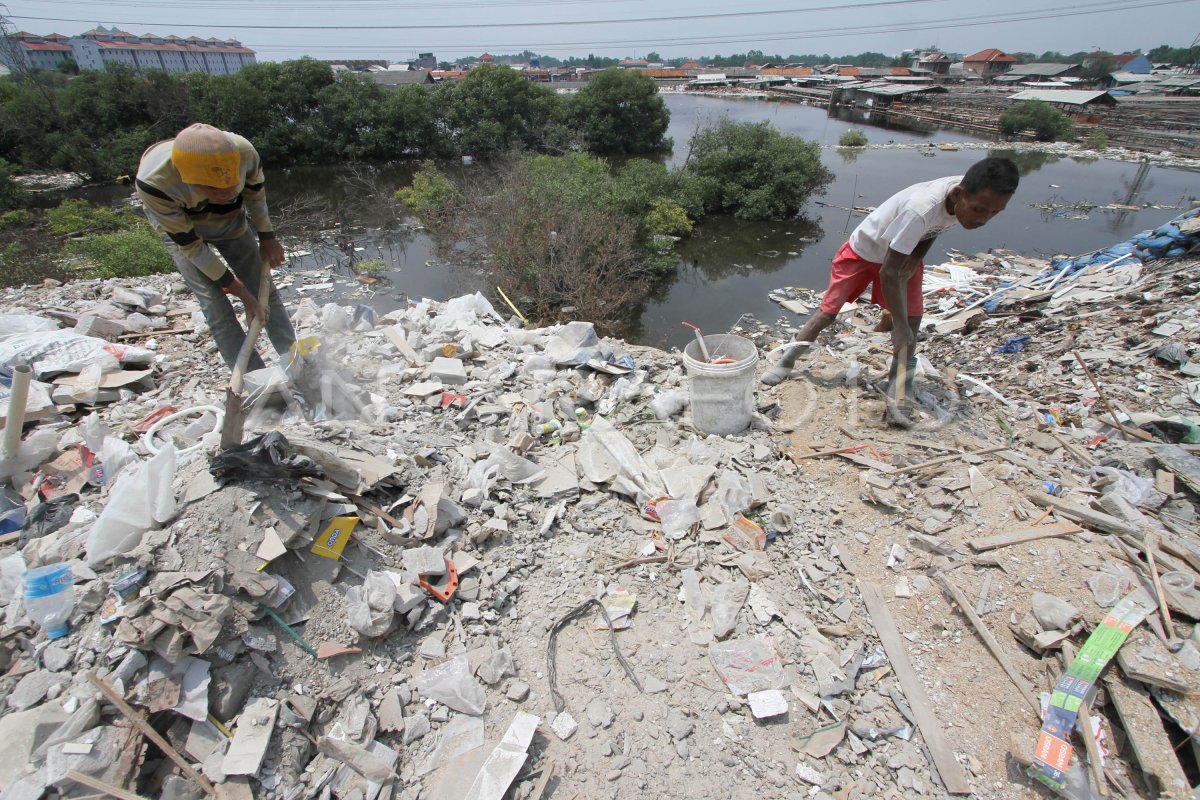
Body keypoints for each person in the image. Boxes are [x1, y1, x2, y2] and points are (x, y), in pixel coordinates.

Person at [761, 157, 1020, 399]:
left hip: (904, 252)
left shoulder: (967, 195)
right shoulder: (921, 209)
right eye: (979, 210)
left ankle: (899, 384)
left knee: (913, 318)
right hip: (864, 252)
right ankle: (786, 361)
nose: (984, 219)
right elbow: (889, 271)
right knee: (828, 313)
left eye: (994, 213)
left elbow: (934, 229)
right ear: (957, 195)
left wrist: (917, 258)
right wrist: (898, 324)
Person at [135, 123, 295, 373]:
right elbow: (191, 247)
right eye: (215, 189)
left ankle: (295, 361)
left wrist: (267, 237)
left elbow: (255, 196)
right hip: (184, 230)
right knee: (215, 304)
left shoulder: (244, 153)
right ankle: (253, 378)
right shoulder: (155, 183)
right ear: (188, 180)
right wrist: (242, 294)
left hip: (230, 221)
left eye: (232, 185)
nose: (227, 192)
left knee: (263, 288)